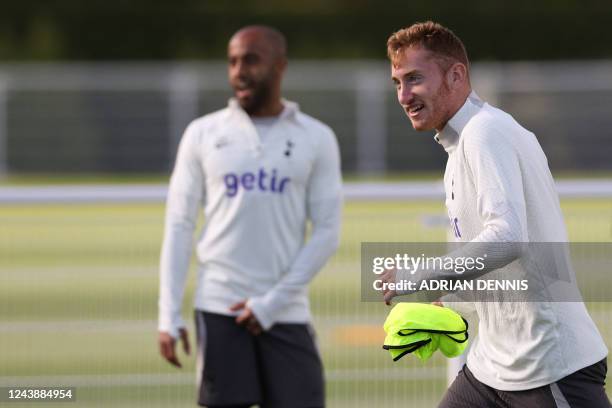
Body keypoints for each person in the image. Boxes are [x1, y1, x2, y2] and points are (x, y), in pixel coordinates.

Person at [382, 21, 610, 407]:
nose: (404, 95)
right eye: (397, 83)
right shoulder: (460, 145)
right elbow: (497, 265)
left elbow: (508, 238)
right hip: (490, 369)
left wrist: (417, 274)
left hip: (547, 369)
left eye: (414, 79)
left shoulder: (485, 133)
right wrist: (450, 303)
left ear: (456, 75)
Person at [157, 25, 342, 408]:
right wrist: (168, 313)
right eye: (233, 61)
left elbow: (327, 232)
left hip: (286, 310)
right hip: (219, 307)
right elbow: (179, 225)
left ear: (280, 66)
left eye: (251, 60)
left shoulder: (317, 137)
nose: (239, 70)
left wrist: (271, 303)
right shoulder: (202, 133)